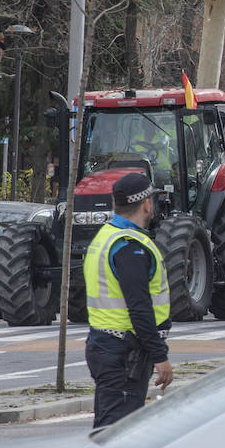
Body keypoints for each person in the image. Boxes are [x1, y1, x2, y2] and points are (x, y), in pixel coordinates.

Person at [83, 172, 174, 428]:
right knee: (116, 431)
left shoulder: (106, 236)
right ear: (146, 204)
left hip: (107, 346)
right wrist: (160, 356)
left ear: (115, 205)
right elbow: (139, 307)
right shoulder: (129, 246)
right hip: (123, 352)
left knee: (110, 426)